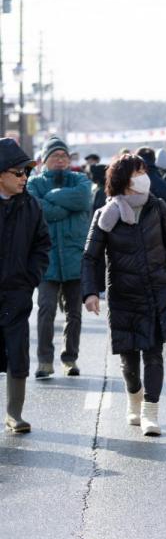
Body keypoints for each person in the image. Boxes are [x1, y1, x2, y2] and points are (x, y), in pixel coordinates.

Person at [82, 152, 166, 437]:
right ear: (124, 179)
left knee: (154, 354)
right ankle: (134, 399)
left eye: (144, 171)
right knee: (129, 361)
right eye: (138, 172)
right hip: (123, 296)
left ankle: (151, 412)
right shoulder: (105, 215)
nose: (144, 176)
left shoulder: (158, 207)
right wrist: (90, 292)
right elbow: (90, 257)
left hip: (156, 292)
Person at [27, 135, 92, 379]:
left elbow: (83, 199)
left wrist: (52, 197)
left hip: (75, 257)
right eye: (55, 156)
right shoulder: (33, 184)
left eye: (64, 155)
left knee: (74, 313)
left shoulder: (81, 180)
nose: (60, 160)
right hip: (47, 259)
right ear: (44, 160)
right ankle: (45, 360)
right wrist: (65, 204)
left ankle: (70, 358)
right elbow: (39, 210)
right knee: (45, 310)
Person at [0, 139, 51, 433]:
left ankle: (14, 414)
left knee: (17, 351)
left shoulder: (31, 205)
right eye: (18, 172)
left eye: (27, 173)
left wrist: (31, 277)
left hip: (17, 292)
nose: (24, 178)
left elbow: (42, 244)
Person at [136, 147, 166, 247]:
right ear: (154, 160)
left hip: (136, 240)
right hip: (161, 240)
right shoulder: (164, 186)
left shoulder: (129, 184)